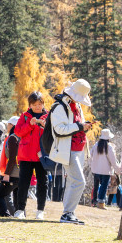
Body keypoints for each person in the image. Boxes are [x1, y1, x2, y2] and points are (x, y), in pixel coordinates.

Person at [49, 79, 93, 225]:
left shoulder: (76, 105)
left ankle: (68, 213)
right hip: (68, 149)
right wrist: (80, 126)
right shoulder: (60, 106)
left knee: (73, 181)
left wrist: (84, 127)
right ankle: (67, 213)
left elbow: (76, 126)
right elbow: (59, 129)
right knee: (80, 181)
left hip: (78, 149)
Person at [14, 91, 49, 220]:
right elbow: (17, 132)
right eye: (34, 104)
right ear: (30, 105)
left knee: (42, 183)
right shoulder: (25, 116)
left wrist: (45, 126)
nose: (37, 107)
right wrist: (30, 125)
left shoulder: (48, 116)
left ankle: (40, 210)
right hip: (26, 155)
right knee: (23, 183)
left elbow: (54, 134)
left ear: (43, 104)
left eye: (39, 104)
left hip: (42, 155)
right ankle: (20, 210)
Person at [0, 118, 21, 217]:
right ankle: (19, 215)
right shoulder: (21, 137)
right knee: (17, 197)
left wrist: (7, 174)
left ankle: (5, 215)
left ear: (12, 125)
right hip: (21, 173)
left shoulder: (13, 138)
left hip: (13, 173)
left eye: (8, 124)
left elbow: (12, 158)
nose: (7, 126)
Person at [90, 129, 116, 210]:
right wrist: (118, 170)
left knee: (96, 186)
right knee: (104, 186)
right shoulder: (109, 147)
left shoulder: (96, 145)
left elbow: (90, 156)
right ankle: (101, 203)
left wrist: (91, 166)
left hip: (95, 170)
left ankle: (94, 201)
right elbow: (113, 160)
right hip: (106, 170)